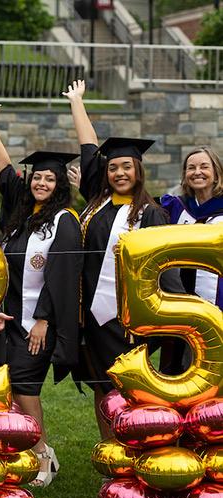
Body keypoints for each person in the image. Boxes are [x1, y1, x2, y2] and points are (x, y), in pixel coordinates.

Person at [63, 80, 180, 439]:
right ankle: (112, 451)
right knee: (102, 386)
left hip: (130, 320)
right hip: (93, 319)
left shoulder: (150, 213)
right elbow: (88, 149)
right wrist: (77, 103)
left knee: (134, 389)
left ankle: (141, 450)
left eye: (127, 167)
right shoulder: (96, 204)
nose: (119, 173)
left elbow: (165, 270)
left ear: (138, 170)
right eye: (114, 168)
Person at [0, 93, 83, 487]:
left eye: (49, 178)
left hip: (39, 322)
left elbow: (63, 275)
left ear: (59, 185)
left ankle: (42, 456)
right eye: (37, 176)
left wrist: (43, 319)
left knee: (25, 388)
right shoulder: (23, 220)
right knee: (13, 387)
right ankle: (31, 450)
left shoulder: (64, 221)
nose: (41, 181)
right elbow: (6, 172)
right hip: (12, 321)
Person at [158, 146, 223, 373]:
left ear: (216, 172)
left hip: (218, 304)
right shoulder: (175, 207)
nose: (198, 172)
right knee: (181, 370)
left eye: (204, 166)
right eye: (191, 167)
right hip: (180, 305)